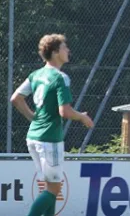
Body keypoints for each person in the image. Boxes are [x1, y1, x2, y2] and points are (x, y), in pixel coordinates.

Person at [10, 34, 94, 216]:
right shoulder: (60, 77)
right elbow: (65, 112)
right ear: (55, 52)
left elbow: (16, 99)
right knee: (53, 190)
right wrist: (82, 117)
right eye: (64, 47)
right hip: (49, 139)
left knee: (51, 188)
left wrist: (33, 117)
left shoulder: (36, 75)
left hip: (33, 137)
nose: (68, 50)